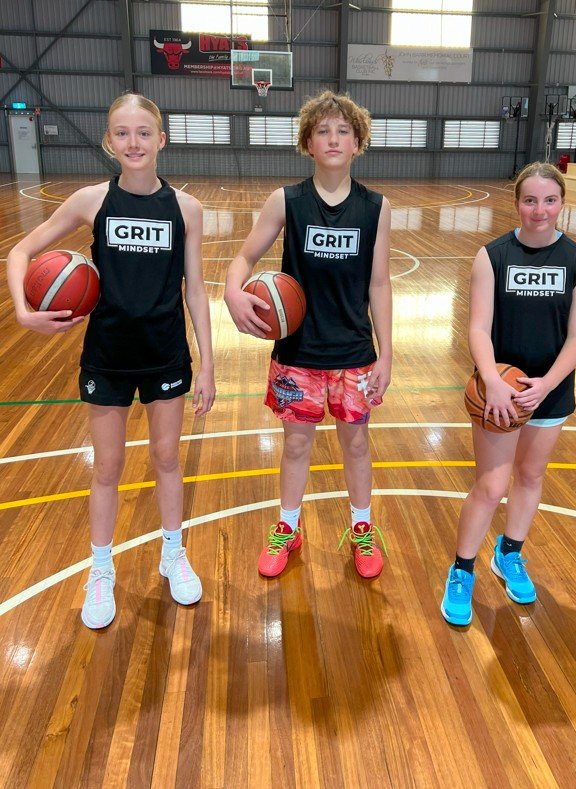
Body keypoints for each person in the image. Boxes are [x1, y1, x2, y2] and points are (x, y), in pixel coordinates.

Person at [7, 92, 215, 629]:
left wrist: (208, 363)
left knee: (167, 461)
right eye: (122, 133)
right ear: (109, 141)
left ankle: (173, 554)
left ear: (161, 139)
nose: (133, 142)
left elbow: (195, 291)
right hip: (107, 356)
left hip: (166, 353)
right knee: (108, 468)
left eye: (144, 132)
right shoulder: (90, 201)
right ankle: (101, 569)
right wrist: (24, 311)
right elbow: (20, 252)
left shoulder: (185, 209)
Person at [224, 90, 392, 579]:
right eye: (323, 131)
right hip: (298, 352)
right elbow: (243, 257)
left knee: (356, 445)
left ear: (358, 142)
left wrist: (387, 354)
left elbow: (379, 283)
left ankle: (362, 527)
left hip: (355, 352)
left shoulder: (376, 207)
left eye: (343, 131)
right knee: (296, 446)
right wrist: (233, 291)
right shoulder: (287, 201)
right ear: (308, 142)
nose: (333, 138)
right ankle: (288, 526)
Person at [441, 162, 576, 626]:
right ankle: (462, 570)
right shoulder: (492, 256)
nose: (540, 210)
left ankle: (509, 555)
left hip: (548, 390)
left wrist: (547, 384)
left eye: (550, 200)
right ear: (516, 204)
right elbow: (477, 327)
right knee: (490, 486)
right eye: (530, 200)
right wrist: (490, 379)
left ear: (562, 204)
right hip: (499, 392)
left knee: (530, 477)